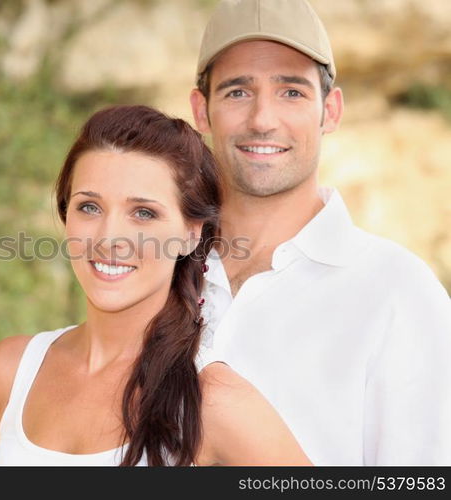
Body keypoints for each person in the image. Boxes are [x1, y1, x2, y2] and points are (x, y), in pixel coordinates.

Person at [188, 0, 451, 465]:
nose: (263, 119)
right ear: (201, 111)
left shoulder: (401, 294)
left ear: (330, 111)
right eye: (237, 92)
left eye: (291, 92)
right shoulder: (158, 272)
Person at [0, 105, 311, 466]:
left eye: (144, 213)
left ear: (190, 234)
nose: (109, 238)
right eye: (89, 207)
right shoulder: (9, 371)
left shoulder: (214, 401)